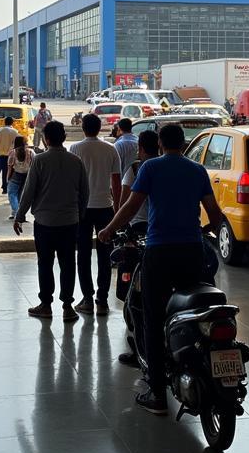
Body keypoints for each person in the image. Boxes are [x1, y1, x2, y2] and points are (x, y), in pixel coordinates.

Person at [98, 123, 222, 414]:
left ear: (162, 144)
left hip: (159, 251)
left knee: (152, 318)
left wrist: (107, 230)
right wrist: (207, 229)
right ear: (182, 143)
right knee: (191, 310)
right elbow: (214, 211)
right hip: (192, 250)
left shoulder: (151, 168)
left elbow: (131, 206)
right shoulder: (197, 170)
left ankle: (156, 393)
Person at [14, 120, 89, 322]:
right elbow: (85, 193)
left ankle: (46, 305)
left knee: (45, 263)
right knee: (67, 264)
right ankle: (67, 306)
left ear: (46, 139)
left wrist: (19, 216)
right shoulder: (76, 161)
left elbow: (29, 191)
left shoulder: (39, 160)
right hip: (69, 222)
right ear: (63, 138)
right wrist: (79, 215)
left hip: (45, 223)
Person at [70, 113, 122, 315]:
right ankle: (102, 300)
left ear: (83, 128)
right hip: (105, 208)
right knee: (105, 255)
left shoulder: (75, 149)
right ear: (100, 128)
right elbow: (116, 183)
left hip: (82, 209)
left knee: (82, 255)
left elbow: (72, 182)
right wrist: (117, 210)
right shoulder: (110, 149)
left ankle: (87, 299)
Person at [116, 129, 159, 370]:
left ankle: (143, 349)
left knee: (136, 291)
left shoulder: (136, 169)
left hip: (140, 231)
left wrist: (112, 228)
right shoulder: (184, 167)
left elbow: (126, 204)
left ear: (140, 148)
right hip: (163, 229)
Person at [7, 135, 34, 220]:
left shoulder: (13, 152)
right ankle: (18, 213)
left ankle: (17, 213)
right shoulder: (30, 152)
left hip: (16, 175)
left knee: (12, 194)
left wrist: (8, 178)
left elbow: (10, 167)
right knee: (21, 196)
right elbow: (34, 165)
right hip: (27, 176)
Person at [0, 115, 17, 195]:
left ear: (4, 122)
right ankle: (5, 188)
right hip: (9, 156)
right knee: (6, 173)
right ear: (12, 123)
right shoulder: (14, 132)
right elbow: (15, 145)